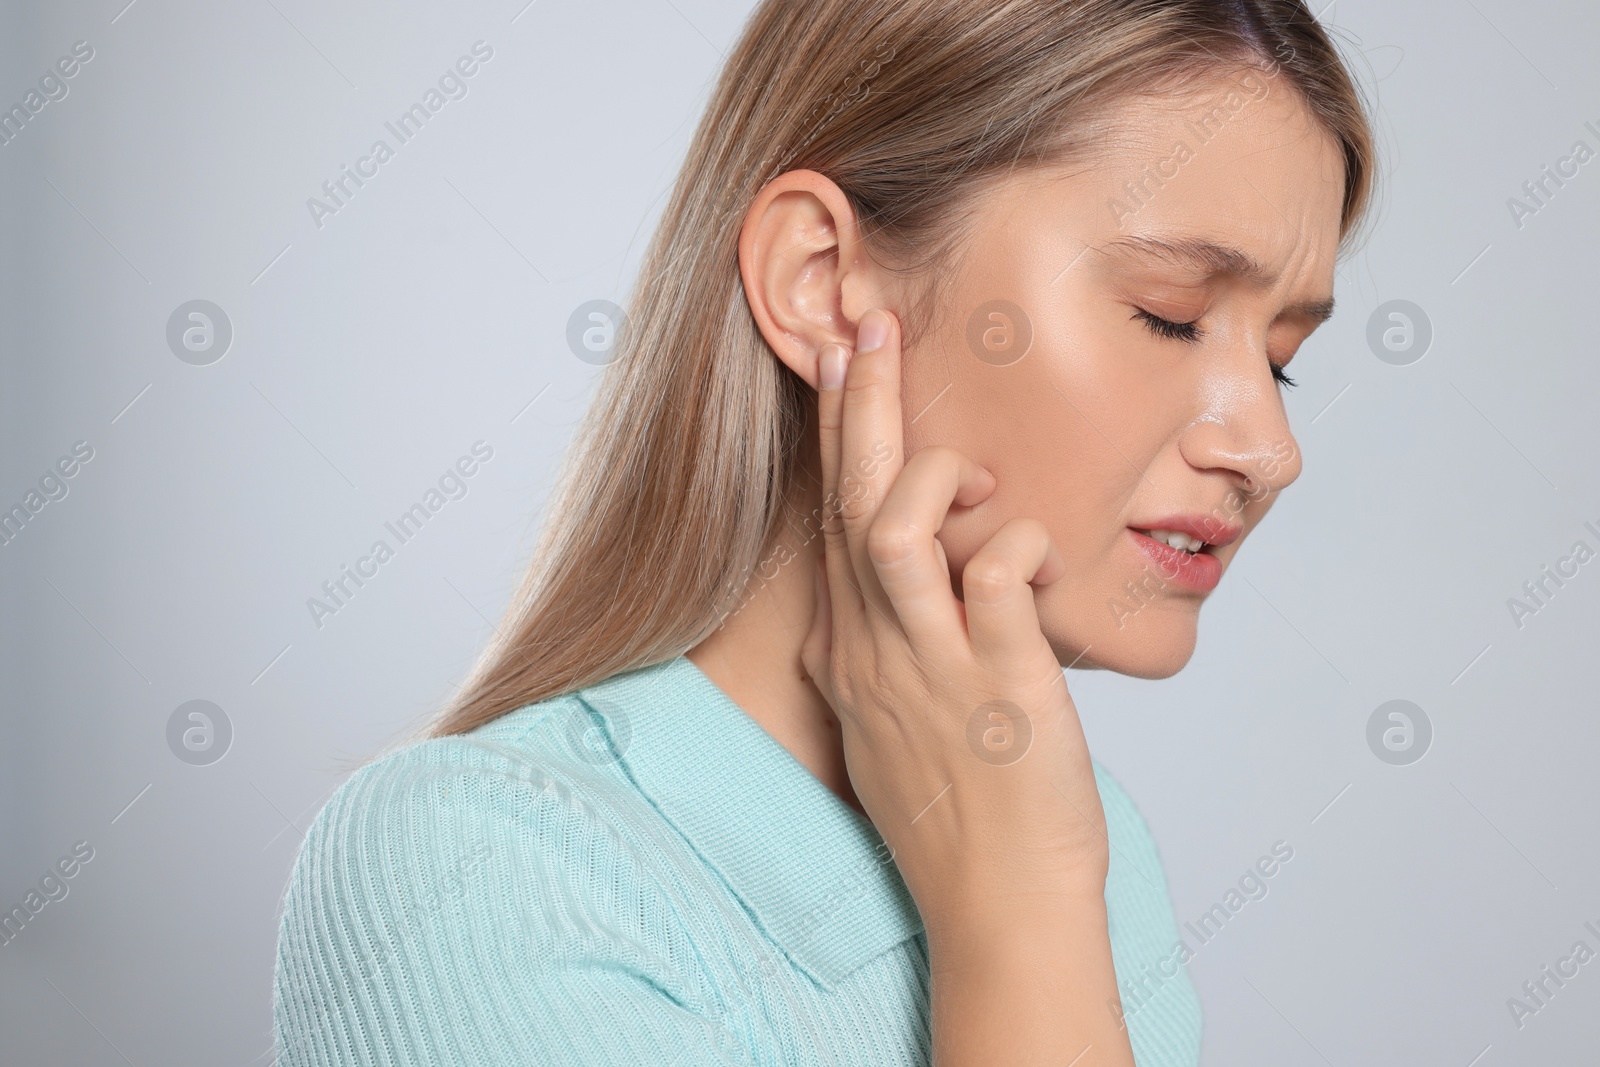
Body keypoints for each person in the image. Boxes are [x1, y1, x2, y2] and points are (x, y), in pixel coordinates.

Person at [272, 1, 1376, 1063]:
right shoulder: (472, 868)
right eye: (1170, 314)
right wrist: (1015, 909)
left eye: (1278, 355)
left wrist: (1031, 883)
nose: (1270, 450)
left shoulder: (1083, 836)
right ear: (822, 285)